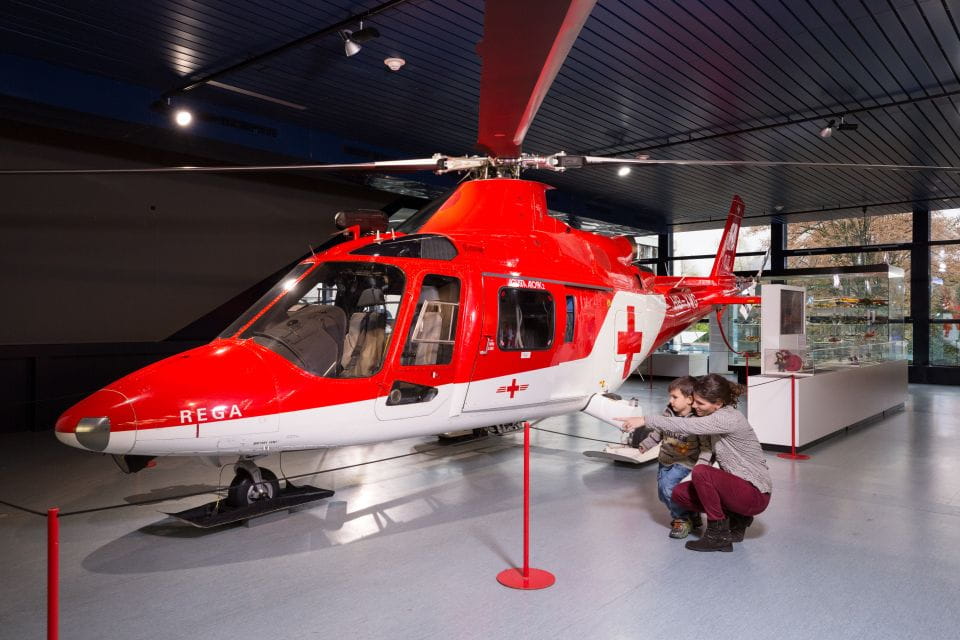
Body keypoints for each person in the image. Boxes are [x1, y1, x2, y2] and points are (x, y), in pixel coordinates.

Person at [617, 373, 772, 552]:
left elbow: (687, 426)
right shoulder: (714, 415)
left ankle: (717, 535)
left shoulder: (727, 418)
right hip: (738, 489)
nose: (695, 406)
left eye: (700, 403)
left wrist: (645, 420)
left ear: (719, 403)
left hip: (755, 493)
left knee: (701, 472)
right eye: (694, 401)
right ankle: (736, 520)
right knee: (679, 494)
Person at [634, 376, 712, 539]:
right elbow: (658, 432)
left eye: (675, 397)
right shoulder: (668, 413)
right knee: (663, 494)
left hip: (685, 462)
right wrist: (646, 444)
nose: (671, 400)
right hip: (666, 460)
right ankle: (692, 513)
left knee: (667, 488)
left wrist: (703, 463)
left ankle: (682, 519)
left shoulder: (697, 421)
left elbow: (706, 446)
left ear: (690, 399)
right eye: (670, 396)